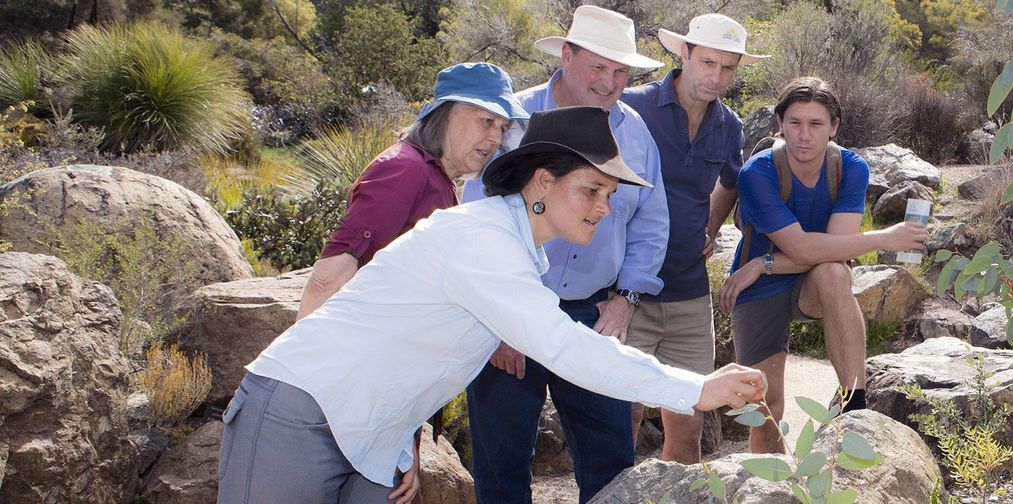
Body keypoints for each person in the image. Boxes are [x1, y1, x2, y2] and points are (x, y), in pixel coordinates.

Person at [217, 107, 766, 504]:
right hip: (299, 411)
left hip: (372, 435)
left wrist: (398, 441)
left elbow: (413, 354)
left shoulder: (519, 254)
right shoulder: (481, 241)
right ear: (541, 183)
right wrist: (695, 388)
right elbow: (565, 346)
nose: (604, 207)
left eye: (611, 195)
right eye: (592, 190)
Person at [456, 6, 668, 503]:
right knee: (501, 467)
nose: (609, 82)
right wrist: (497, 319)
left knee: (612, 464)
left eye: (620, 71)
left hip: (592, 315)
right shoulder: (511, 122)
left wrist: (627, 299)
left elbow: (652, 223)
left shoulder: (635, 133)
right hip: (509, 311)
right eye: (598, 66)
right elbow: (477, 224)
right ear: (566, 55)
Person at [716, 77, 928, 454]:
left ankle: (853, 404)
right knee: (765, 409)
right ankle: (774, 492)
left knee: (834, 274)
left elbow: (832, 254)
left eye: (816, 124)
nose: (804, 135)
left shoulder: (849, 169)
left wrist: (762, 262)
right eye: (795, 123)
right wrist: (883, 238)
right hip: (758, 291)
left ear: (834, 127)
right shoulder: (758, 173)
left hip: (802, 282)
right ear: (779, 123)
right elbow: (800, 249)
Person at [620, 12, 768, 464]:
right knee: (618, 417)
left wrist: (710, 227)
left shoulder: (729, 127)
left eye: (728, 67)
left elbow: (730, 180)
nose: (716, 76)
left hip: (688, 292)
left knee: (687, 424)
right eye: (707, 62)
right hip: (625, 291)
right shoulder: (632, 108)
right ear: (683, 53)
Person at [297, 62, 526, 320]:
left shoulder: (438, 178)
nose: (495, 138)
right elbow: (326, 280)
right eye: (487, 121)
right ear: (446, 113)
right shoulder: (404, 170)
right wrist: (297, 359)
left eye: (502, 128)